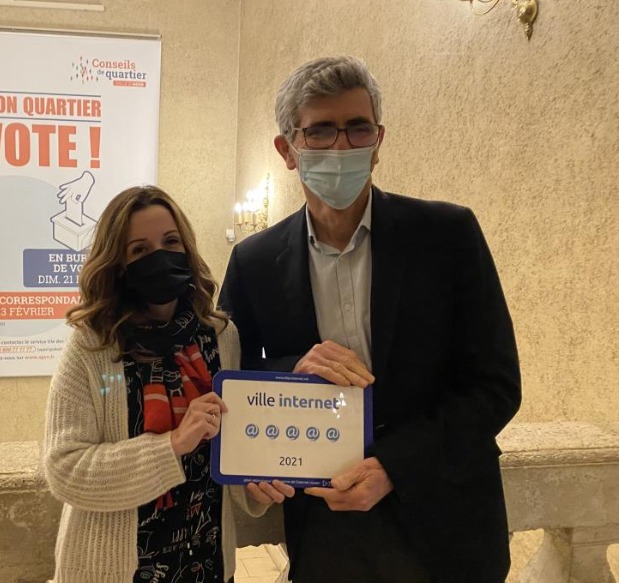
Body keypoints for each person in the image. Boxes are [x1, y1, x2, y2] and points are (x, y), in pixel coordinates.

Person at [219, 56, 522, 583]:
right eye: (320, 130)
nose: (342, 146)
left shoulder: (447, 235)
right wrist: (293, 371)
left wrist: (393, 467)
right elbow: (231, 376)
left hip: (446, 521)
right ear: (287, 150)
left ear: (378, 141)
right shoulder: (254, 260)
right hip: (325, 528)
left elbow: (495, 385)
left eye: (357, 128)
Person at [43, 185, 271, 583]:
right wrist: (172, 444)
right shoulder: (92, 346)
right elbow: (64, 469)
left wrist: (256, 483)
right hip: (116, 571)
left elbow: (231, 444)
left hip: (206, 560)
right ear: (118, 263)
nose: (160, 256)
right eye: (140, 250)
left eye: (170, 242)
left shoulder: (221, 336)